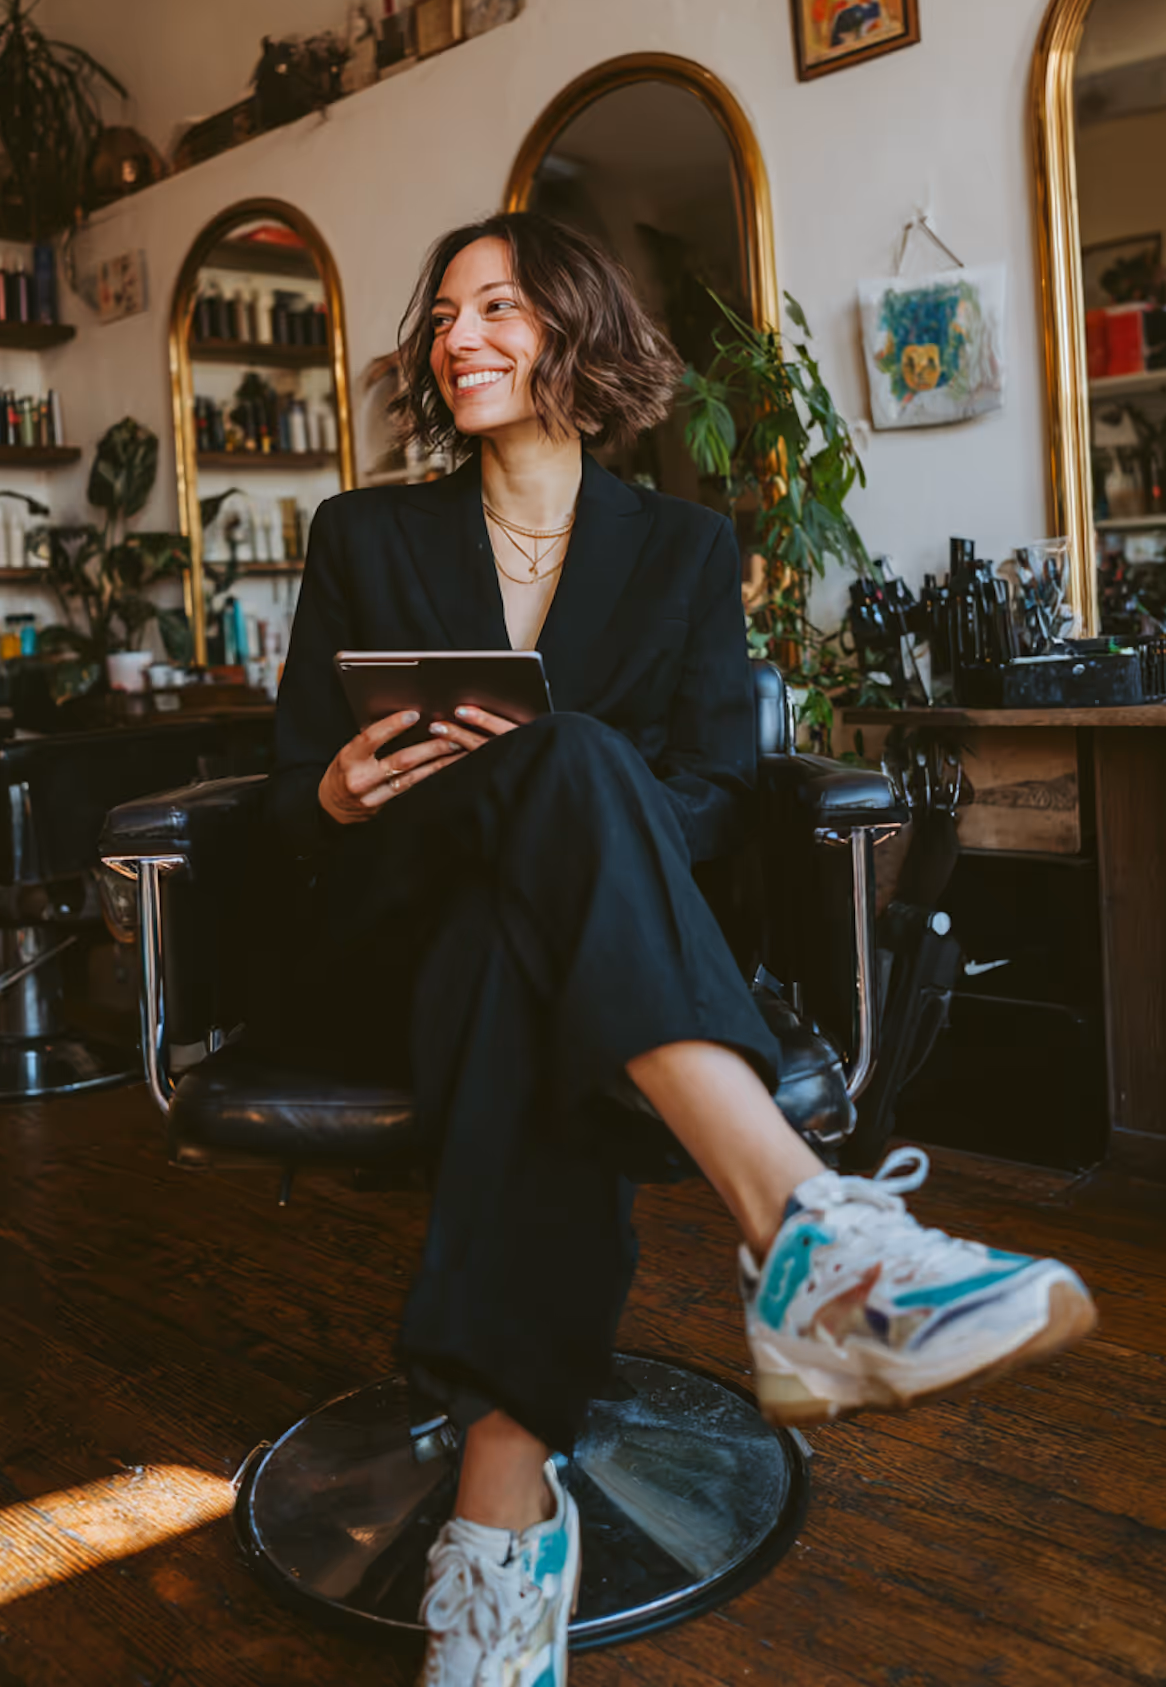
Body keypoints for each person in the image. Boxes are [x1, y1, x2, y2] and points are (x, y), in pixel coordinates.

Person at [267, 212, 1096, 1687]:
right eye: (443, 313)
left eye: (497, 307)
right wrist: (336, 787)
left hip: (526, 961)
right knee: (555, 789)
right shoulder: (363, 534)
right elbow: (289, 786)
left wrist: (560, 800)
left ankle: (498, 1505)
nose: (455, 336)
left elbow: (715, 790)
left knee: (547, 846)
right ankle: (802, 1231)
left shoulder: (682, 548)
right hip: (387, 921)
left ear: (576, 333)